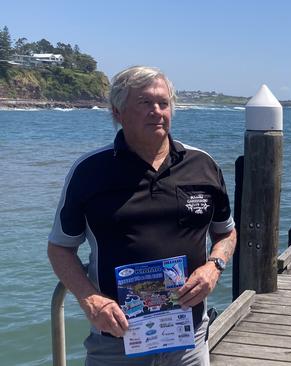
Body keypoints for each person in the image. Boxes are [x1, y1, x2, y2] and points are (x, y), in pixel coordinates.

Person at [47, 66, 236, 365]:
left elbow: (226, 232)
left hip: (189, 339)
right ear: (118, 113)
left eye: (163, 103)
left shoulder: (203, 165)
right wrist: (90, 299)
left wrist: (215, 266)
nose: (157, 111)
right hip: (116, 341)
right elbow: (60, 247)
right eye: (145, 103)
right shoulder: (90, 171)